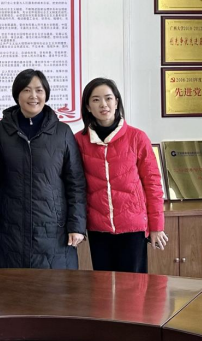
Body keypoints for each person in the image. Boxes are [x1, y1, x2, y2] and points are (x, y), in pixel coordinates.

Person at [0, 69, 86, 270]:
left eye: (39, 90)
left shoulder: (63, 132)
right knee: (10, 286)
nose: (33, 96)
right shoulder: (0, 131)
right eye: (26, 90)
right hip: (9, 229)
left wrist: (77, 226)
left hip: (53, 230)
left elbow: (75, 183)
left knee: (53, 288)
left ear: (46, 95)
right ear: (17, 95)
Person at [74, 77, 167, 273]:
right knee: (103, 286)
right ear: (88, 107)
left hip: (133, 227)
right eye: (96, 100)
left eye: (108, 98)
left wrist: (156, 226)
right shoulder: (78, 141)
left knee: (134, 287)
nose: (103, 104)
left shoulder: (137, 137)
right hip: (98, 228)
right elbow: (74, 186)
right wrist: (76, 226)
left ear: (116, 102)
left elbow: (153, 184)